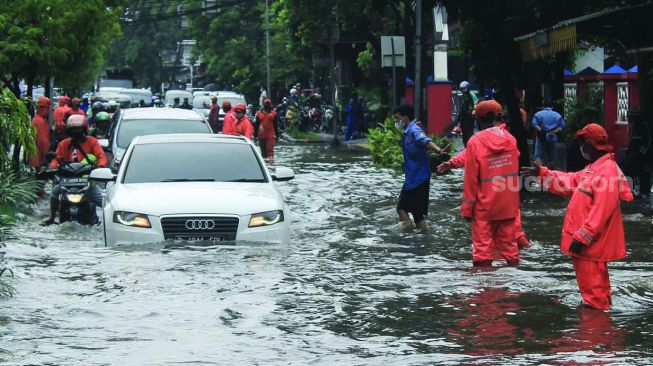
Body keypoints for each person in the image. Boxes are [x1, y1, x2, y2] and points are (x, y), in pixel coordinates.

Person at [521, 123, 633, 310]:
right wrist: (542, 173)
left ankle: (592, 333)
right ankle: (598, 332)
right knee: (596, 294)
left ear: (589, 145)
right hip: (589, 245)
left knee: (594, 297)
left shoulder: (606, 171)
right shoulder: (594, 169)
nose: (582, 148)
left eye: (583, 143)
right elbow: (569, 181)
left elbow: (601, 210)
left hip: (589, 245)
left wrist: (582, 237)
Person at [460, 100, 521, 267]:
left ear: (478, 119)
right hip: (508, 205)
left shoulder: (475, 142)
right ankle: (514, 289)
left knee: (482, 253)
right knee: (510, 250)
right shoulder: (510, 140)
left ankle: (485, 291)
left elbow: (471, 179)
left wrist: (467, 208)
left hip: (484, 207)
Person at [438, 148, 531, 250]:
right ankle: (524, 251)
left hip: (487, 196)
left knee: (488, 236)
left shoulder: (480, 142)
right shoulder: (508, 141)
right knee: (512, 229)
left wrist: (451, 163)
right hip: (506, 194)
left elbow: (469, 152)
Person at [41, 115, 107, 226]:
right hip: (67, 180)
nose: (77, 133)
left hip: (86, 180)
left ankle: (109, 221)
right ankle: (51, 217)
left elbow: (101, 156)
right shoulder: (63, 144)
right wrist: (52, 167)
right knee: (54, 193)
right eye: (74, 131)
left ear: (85, 130)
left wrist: (100, 167)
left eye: (79, 130)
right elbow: (56, 158)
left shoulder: (92, 142)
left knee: (104, 202)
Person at [394, 104, 447, 232]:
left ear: (405, 118)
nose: (396, 121)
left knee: (402, 208)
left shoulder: (414, 130)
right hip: (414, 178)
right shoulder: (409, 130)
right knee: (417, 214)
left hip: (418, 178)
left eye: (397, 118)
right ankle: (423, 239)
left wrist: (439, 150)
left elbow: (426, 141)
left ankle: (408, 238)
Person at [620, 109, 651, 198]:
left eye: (630, 118)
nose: (629, 120)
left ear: (635, 118)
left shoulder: (643, 127)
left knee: (642, 173)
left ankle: (643, 192)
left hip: (641, 157)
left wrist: (639, 154)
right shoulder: (635, 128)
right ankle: (632, 192)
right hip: (634, 156)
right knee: (630, 172)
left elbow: (647, 142)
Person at [532, 100, 565, 168]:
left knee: (539, 156)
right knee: (552, 157)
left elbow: (534, 124)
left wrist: (541, 130)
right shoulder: (557, 115)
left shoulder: (538, 114)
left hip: (541, 138)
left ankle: (540, 173)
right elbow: (562, 126)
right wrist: (554, 131)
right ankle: (550, 173)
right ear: (552, 107)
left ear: (543, 106)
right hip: (552, 137)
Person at [28, 97, 52, 169]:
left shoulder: (39, 120)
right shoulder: (40, 121)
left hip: (38, 158)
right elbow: (43, 142)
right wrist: (47, 158)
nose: (48, 111)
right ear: (43, 108)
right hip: (39, 160)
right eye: (48, 109)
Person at [456, 81, 476, 147]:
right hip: (463, 118)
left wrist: (473, 111)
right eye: (461, 89)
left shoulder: (471, 95)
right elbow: (461, 107)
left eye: (464, 89)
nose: (462, 90)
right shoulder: (463, 96)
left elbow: (475, 104)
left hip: (469, 118)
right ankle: (466, 148)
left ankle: (471, 148)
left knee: (469, 134)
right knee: (464, 135)